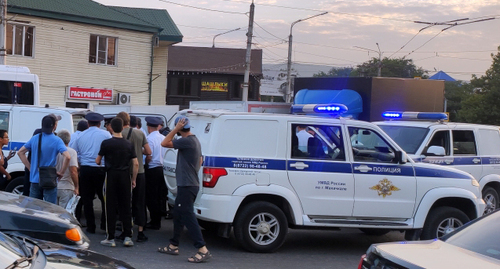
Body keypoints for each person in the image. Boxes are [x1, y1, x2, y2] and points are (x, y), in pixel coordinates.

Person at [159, 116, 211, 263]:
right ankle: (173, 245)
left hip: (188, 185)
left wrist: (174, 129)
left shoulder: (187, 141)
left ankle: (202, 249)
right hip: (189, 184)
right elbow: (200, 160)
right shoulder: (194, 140)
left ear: (180, 128)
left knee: (187, 214)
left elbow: (164, 143)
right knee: (178, 214)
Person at [96, 117, 138, 247]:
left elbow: (98, 160)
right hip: (125, 175)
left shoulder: (106, 143)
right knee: (126, 206)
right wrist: (134, 179)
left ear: (111, 128)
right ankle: (128, 236)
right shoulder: (128, 144)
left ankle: (111, 237)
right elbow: (135, 163)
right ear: (123, 127)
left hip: (111, 175)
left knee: (110, 206)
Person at [18, 114, 71, 204]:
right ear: (54, 126)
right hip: (49, 179)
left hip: (35, 180)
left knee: (34, 208)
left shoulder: (35, 138)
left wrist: (30, 168)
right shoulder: (57, 140)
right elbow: (68, 156)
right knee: (50, 209)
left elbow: (20, 152)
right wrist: (61, 172)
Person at [116, 112, 151, 242]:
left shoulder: (119, 135)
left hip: (125, 172)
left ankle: (126, 230)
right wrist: (138, 151)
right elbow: (148, 151)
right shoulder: (140, 133)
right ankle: (141, 232)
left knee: (124, 202)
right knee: (139, 202)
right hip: (140, 172)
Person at [74, 112, 111, 234]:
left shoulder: (81, 135)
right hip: (101, 169)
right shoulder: (106, 134)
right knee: (104, 198)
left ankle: (91, 226)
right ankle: (104, 224)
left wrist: (79, 164)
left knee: (87, 198)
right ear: (100, 123)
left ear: (88, 123)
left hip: (85, 169)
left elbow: (75, 153)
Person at [144, 117, 167, 231]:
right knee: (160, 196)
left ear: (148, 127)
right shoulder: (163, 138)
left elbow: (149, 156)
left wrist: (146, 163)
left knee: (151, 196)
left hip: (152, 169)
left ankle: (154, 221)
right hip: (162, 169)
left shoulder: (149, 139)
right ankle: (158, 218)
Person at [56, 130, 79, 209]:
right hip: (67, 186)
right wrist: (76, 187)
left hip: (53, 186)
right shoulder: (71, 152)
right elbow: (73, 171)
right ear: (69, 140)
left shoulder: (54, 150)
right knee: (63, 213)